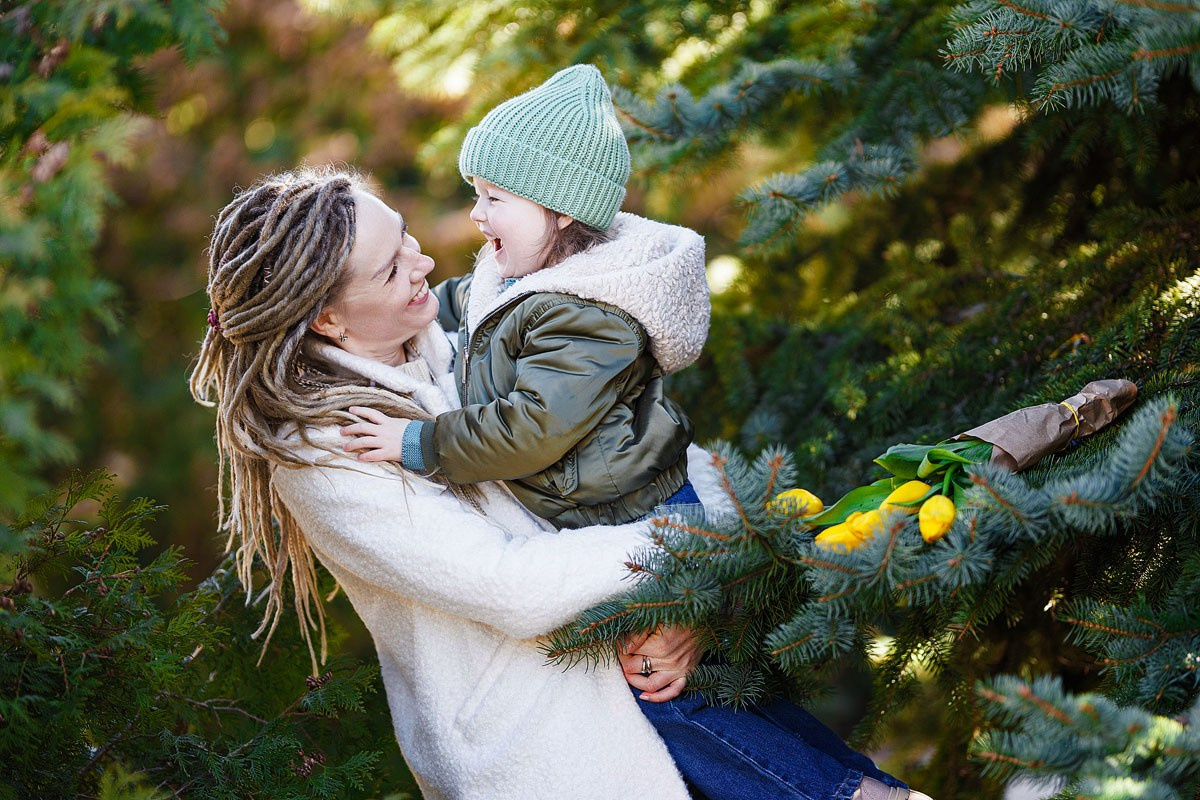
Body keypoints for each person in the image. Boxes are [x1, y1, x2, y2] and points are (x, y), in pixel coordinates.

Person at [191, 166, 930, 799]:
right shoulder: (324, 455)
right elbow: (508, 585)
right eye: (391, 269)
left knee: (843, 778)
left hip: (641, 668)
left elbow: (629, 450)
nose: (422, 262)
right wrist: (687, 546)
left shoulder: (460, 335)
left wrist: (700, 587)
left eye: (406, 236)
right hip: (551, 744)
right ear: (326, 319)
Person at [338, 64, 709, 529]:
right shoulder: (516, 277)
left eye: (495, 199)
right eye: (477, 195)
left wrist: (422, 442)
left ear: (563, 212)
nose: (476, 213)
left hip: (638, 520)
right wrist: (377, 306)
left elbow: (534, 428)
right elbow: (462, 304)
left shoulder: (590, 317)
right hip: (575, 511)